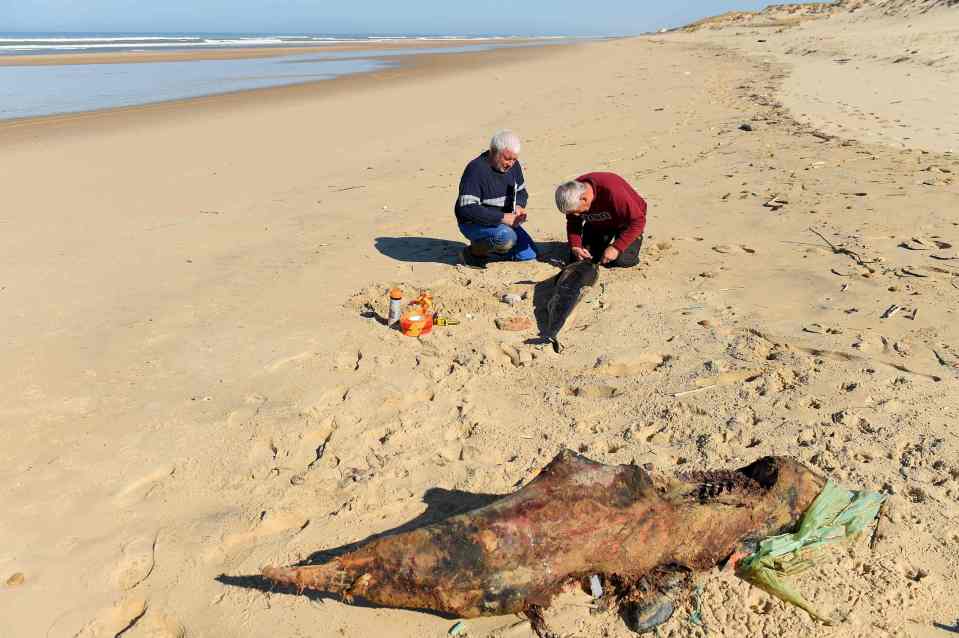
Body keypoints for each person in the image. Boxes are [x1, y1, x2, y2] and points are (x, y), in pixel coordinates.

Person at [454, 130, 537, 268]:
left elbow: (522, 192)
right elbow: (467, 209)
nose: (511, 164)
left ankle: (494, 250)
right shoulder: (475, 169)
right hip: (473, 223)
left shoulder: (514, 166)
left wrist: (519, 206)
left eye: (514, 159)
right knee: (506, 237)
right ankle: (472, 254)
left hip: (504, 222)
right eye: (507, 158)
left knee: (528, 254)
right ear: (493, 152)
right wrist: (502, 218)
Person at [554, 172, 647, 268]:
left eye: (577, 212)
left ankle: (627, 243)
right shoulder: (572, 195)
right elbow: (573, 222)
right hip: (598, 222)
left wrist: (616, 248)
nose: (576, 215)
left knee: (622, 260)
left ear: (584, 199)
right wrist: (575, 246)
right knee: (583, 257)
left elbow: (639, 221)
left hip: (626, 222)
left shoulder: (613, 191)